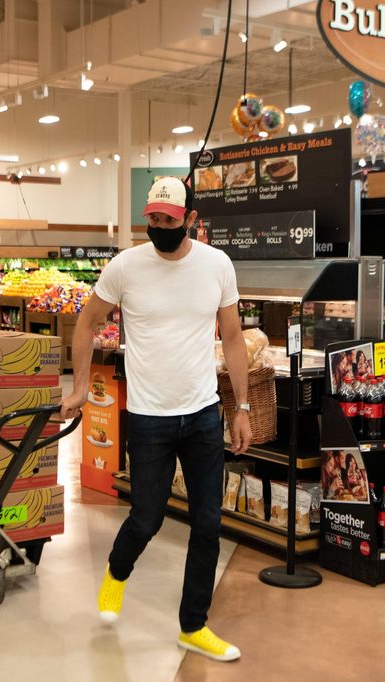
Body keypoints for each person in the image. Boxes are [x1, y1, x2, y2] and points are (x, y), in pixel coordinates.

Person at [60, 176, 252, 663]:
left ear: (190, 219)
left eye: (169, 219)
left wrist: (242, 408)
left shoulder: (217, 265)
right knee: (145, 518)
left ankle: (194, 625)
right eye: (153, 218)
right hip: (148, 418)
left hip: (204, 413)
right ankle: (116, 576)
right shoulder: (125, 266)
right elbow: (86, 321)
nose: (160, 226)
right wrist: (80, 386)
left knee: (208, 523)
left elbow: (232, 337)